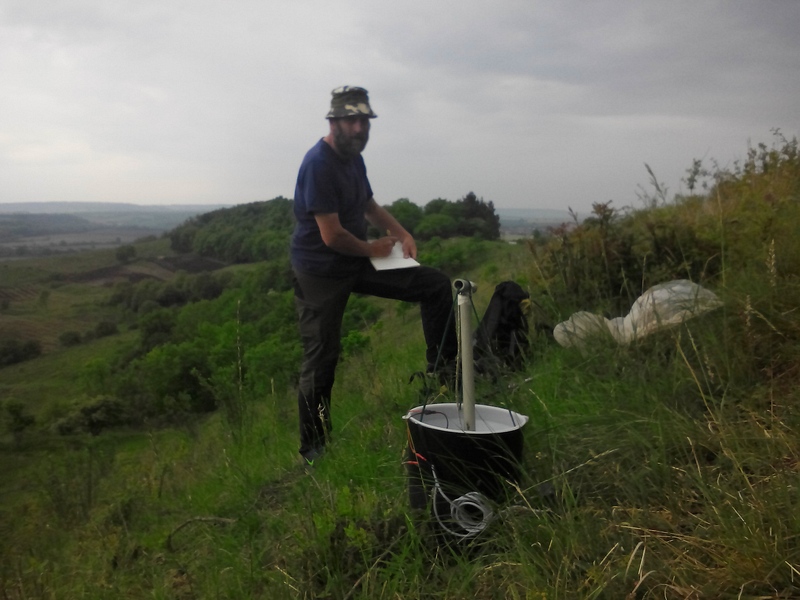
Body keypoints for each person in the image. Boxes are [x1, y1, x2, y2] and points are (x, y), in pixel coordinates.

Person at [290, 86, 458, 464]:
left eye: (364, 121)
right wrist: (373, 249)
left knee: (433, 285)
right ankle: (314, 450)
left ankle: (446, 374)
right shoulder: (318, 163)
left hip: (354, 257)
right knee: (322, 357)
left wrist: (401, 233)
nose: (359, 128)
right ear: (333, 122)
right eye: (351, 120)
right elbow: (331, 236)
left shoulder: (353, 159)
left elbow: (367, 204)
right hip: (320, 270)